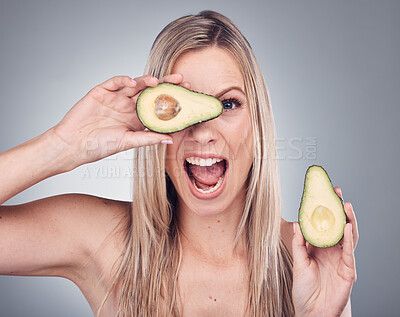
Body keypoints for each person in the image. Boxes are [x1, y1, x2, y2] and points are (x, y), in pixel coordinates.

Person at [0, 10, 358, 317]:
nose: (203, 134)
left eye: (229, 104)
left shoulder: (307, 259)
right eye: (175, 106)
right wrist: (61, 146)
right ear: (154, 120)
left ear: (259, 122)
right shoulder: (102, 239)